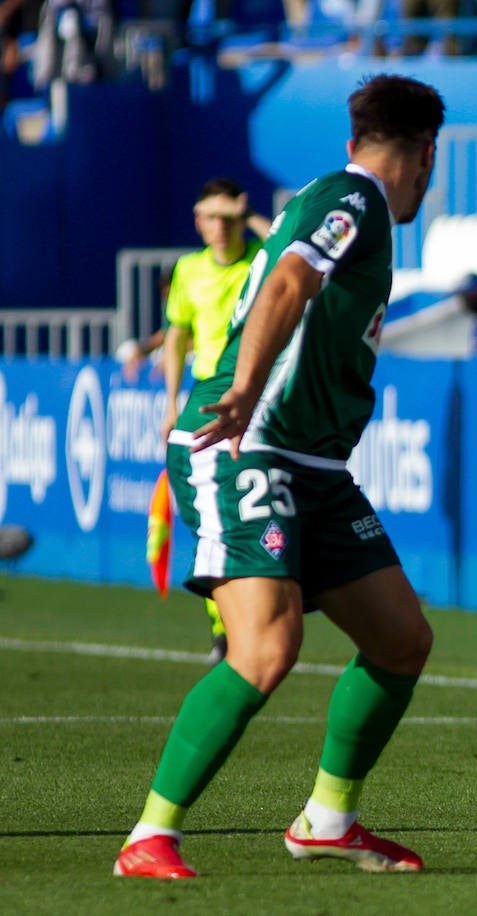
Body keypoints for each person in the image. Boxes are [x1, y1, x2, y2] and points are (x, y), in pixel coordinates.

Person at [114, 73, 447, 880]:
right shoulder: (357, 199)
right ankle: (149, 837)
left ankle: (329, 821)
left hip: (312, 462)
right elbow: (292, 281)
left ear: (354, 138)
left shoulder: (345, 195)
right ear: (427, 156)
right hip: (247, 443)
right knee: (267, 646)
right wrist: (244, 391)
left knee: (401, 639)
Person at [153, 178, 273, 662]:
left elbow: (287, 244)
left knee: (253, 511)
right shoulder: (187, 270)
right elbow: (176, 335)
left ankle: (254, 614)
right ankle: (223, 625)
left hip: (256, 398)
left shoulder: (260, 258)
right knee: (211, 519)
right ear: (198, 221)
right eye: (212, 218)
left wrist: (250, 217)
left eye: (229, 219)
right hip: (205, 403)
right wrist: (169, 401)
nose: (221, 228)